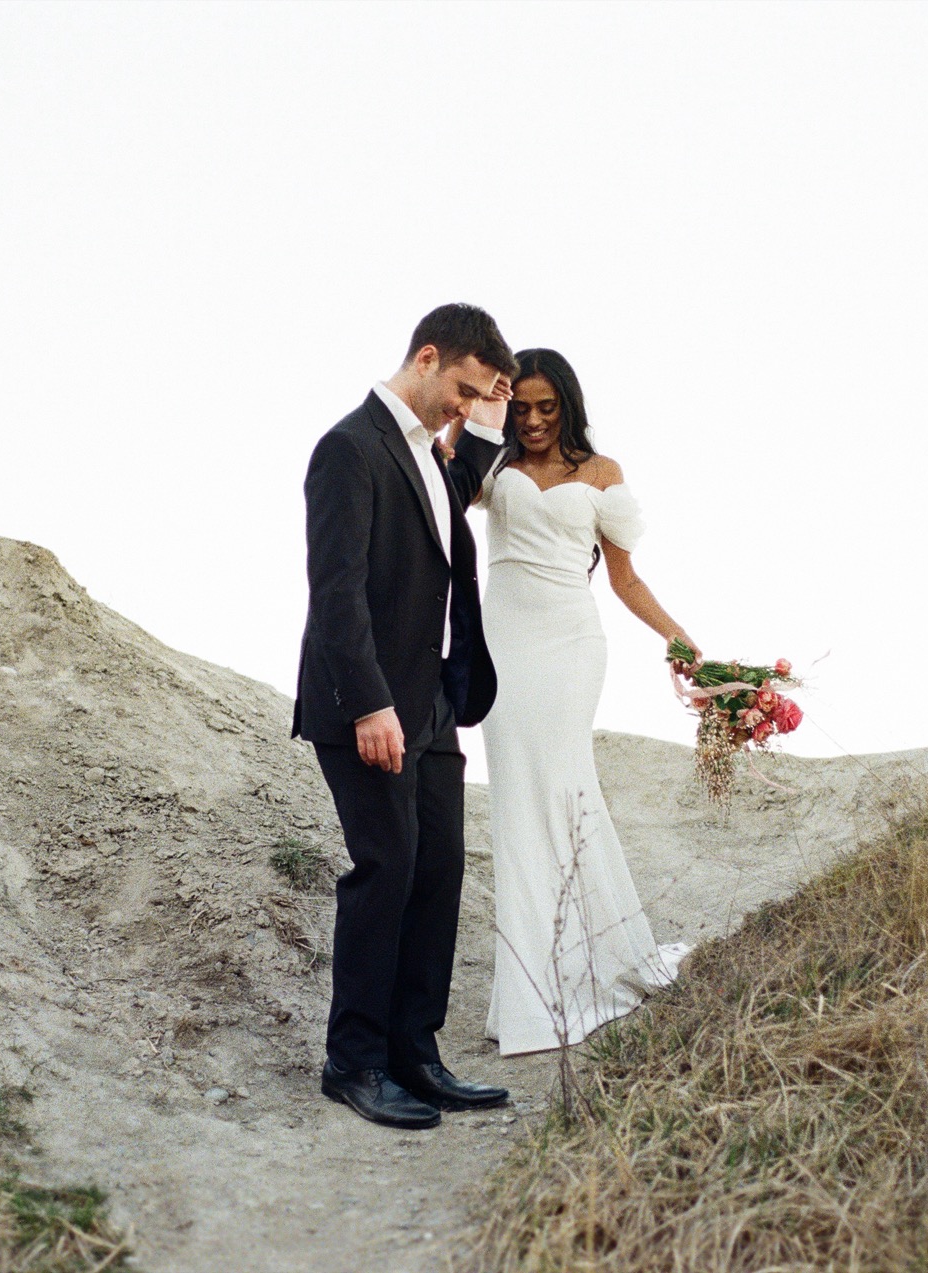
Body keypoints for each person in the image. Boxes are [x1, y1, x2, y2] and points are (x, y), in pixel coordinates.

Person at [291, 303, 516, 1128]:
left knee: (438, 871)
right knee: (386, 870)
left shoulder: (432, 452)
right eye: (462, 389)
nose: (465, 407)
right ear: (425, 358)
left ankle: (415, 1052)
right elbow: (336, 591)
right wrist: (370, 703)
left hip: (433, 707)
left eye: (476, 398)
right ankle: (354, 1061)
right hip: (367, 705)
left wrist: (488, 415)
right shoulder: (349, 448)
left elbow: (453, 503)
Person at [450, 347, 696, 1055]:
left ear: (568, 405)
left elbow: (625, 580)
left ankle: (597, 960)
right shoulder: (492, 464)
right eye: (521, 407)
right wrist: (483, 411)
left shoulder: (601, 473)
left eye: (546, 407)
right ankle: (533, 988)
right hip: (504, 644)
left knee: (563, 784)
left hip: (571, 645)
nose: (532, 420)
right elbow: (444, 482)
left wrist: (681, 640)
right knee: (516, 799)